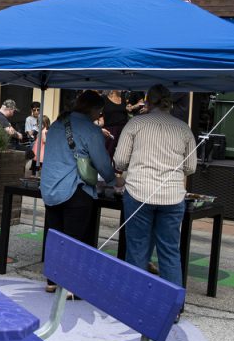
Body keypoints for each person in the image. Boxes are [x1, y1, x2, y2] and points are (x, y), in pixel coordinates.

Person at [113, 84, 197, 291]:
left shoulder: (135, 124)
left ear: (147, 101)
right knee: (169, 251)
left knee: (137, 249)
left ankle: (135, 298)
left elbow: (120, 161)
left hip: (138, 191)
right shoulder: (183, 128)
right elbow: (190, 167)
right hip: (172, 195)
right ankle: (172, 306)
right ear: (169, 103)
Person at [39, 90, 115, 292]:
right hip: (75, 188)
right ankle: (71, 285)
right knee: (76, 238)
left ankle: (52, 280)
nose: (100, 116)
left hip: (50, 187)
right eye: (100, 112)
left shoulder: (56, 124)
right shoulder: (91, 130)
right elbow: (102, 164)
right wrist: (114, 179)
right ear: (95, 109)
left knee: (54, 234)